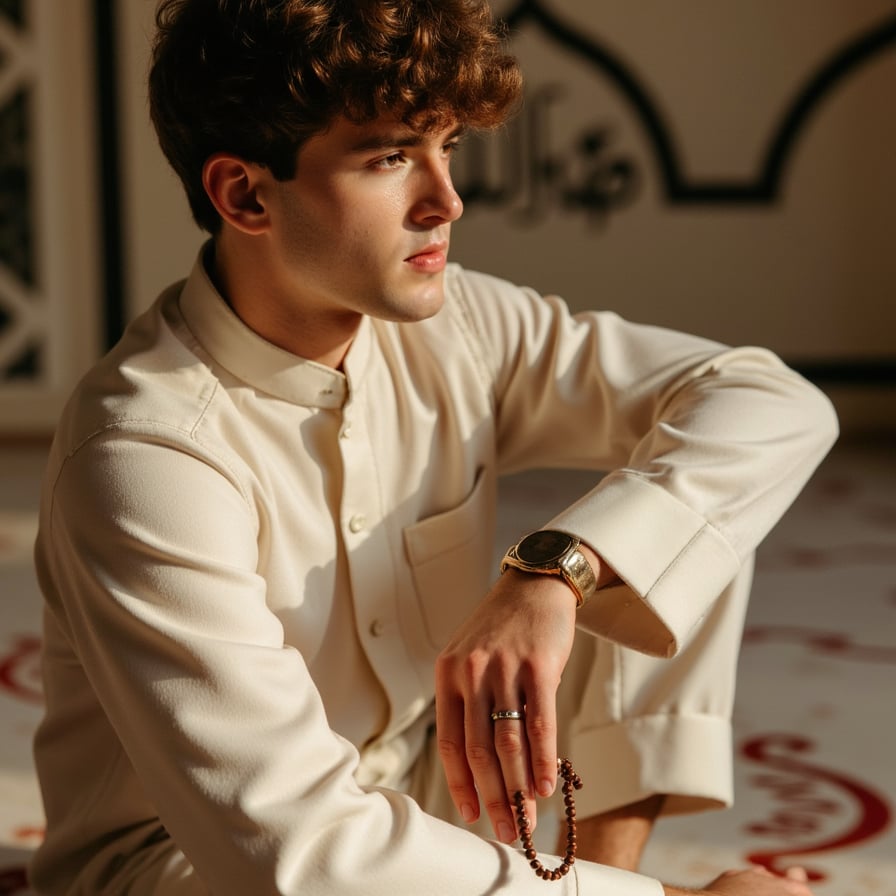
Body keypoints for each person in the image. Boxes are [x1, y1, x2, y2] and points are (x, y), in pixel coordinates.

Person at [30, 1, 838, 893]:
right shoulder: (143, 457)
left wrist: (556, 569)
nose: (447, 199)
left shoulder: (462, 326)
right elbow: (301, 857)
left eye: (446, 148)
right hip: (201, 867)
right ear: (245, 194)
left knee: (679, 532)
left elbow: (768, 399)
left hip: (427, 789)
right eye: (389, 157)